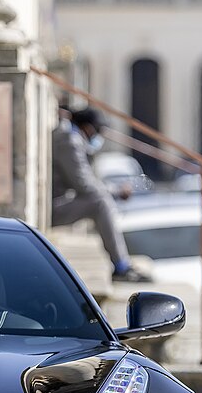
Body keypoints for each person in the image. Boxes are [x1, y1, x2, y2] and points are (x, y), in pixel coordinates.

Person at [51, 106, 151, 282]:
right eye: (98, 130)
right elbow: (83, 185)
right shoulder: (70, 141)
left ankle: (121, 263)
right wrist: (117, 192)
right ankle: (121, 266)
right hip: (54, 208)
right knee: (100, 202)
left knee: (100, 198)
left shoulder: (73, 139)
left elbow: (88, 180)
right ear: (89, 128)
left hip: (59, 204)